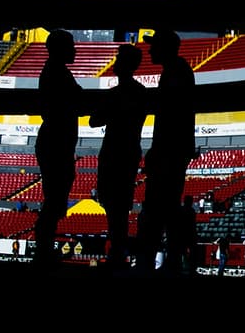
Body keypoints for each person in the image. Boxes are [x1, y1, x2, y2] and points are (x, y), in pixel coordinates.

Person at [134, 28, 197, 275]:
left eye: (154, 45)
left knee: (162, 207)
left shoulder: (176, 72)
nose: (150, 50)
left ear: (165, 48)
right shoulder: (176, 70)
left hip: (169, 151)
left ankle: (160, 261)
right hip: (172, 150)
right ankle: (169, 261)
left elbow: (171, 117)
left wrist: (158, 150)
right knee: (166, 207)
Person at [89, 42, 149, 272]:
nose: (114, 63)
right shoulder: (141, 93)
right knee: (121, 208)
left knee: (113, 207)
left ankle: (116, 254)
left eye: (118, 59)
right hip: (130, 151)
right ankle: (118, 253)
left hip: (114, 152)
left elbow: (94, 120)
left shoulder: (114, 94)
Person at [34, 29, 85, 268]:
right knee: (54, 201)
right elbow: (79, 100)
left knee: (54, 201)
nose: (75, 50)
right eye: (71, 46)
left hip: (56, 142)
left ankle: (43, 249)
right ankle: (43, 251)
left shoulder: (55, 71)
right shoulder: (57, 73)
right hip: (56, 143)